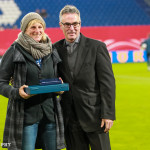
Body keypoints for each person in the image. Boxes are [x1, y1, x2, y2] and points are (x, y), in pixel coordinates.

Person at [54, 5, 116, 150]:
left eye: (75, 24)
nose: (72, 28)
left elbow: (107, 83)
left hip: (95, 117)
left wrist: (108, 114)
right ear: (60, 26)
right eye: (67, 24)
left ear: (80, 24)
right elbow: (49, 76)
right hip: (69, 118)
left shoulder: (97, 47)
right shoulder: (54, 49)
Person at [0, 12, 65, 150]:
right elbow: (1, 82)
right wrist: (16, 92)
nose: (37, 31)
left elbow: (58, 77)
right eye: (33, 27)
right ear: (25, 30)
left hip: (50, 114)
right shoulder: (14, 50)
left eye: (40, 27)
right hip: (25, 116)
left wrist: (59, 86)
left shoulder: (51, 49)